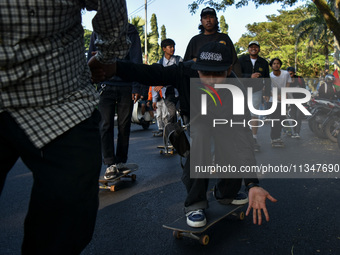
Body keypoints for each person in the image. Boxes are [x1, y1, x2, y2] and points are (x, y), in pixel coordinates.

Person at [91, 42, 277, 228]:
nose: (211, 80)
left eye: (217, 74)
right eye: (205, 73)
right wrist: (116, 67)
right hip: (198, 117)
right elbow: (152, 73)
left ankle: (226, 193)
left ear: (228, 70)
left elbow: (243, 137)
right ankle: (195, 203)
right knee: (202, 142)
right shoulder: (185, 70)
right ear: (196, 69)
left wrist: (252, 183)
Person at [0, 0, 130, 253]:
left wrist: (106, 57)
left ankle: (116, 162)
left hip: (59, 99)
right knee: (107, 127)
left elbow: (112, 9)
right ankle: (111, 160)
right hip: (80, 87)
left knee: (66, 224)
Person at [87, 24, 142, 180]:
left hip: (126, 85)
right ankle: (110, 163)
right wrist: (89, 83)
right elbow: (89, 58)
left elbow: (136, 57)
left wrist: (136, 86)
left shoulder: (130, 31)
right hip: (105, 84)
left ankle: (120, 161)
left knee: (125, 125)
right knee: (105, 124)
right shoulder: (97, 31)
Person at [183, 7, 242, 77]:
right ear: (201, 21)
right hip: (199, 82)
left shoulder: (224, 38)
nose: (208, 20)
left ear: (216, 20)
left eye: (211, 17)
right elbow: (186, 64)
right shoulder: (195, 40)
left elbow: (234, 62)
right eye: (205, 18)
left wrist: (237, 80)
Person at [239, 41, 271, 151]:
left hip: (256, 91)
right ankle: (243, 138)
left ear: (259, 49)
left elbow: (267, 78)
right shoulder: (241, 60)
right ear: (248, 49)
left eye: (256, 47)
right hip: (242, 90)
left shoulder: (263, 62)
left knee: (254, 114)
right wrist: (250, 76)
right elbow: (236, 75)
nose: (253, 49)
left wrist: (267, 93)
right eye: (251, 47)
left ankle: (254, 138)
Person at [269, 58, 292, 147]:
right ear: (271, 66)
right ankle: (274, 137)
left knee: (282, 118)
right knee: (275, 118)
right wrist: (276, 96)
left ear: (280, 65)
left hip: (283, 99)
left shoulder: (285, 74)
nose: (276, 65)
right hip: (273, 100)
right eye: (274, 63)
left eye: (278, 63)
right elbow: (267, 88)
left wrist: (284, 94)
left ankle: (278, 136)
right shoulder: (270, 75)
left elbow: (288, 84)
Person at [287, 67, 306, 139]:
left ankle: (297, 132)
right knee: (293, 116)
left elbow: (304, 89)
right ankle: (294, 132)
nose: (290, 75)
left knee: (298, 116)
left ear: (294, 73)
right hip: (292, 101)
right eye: (288, 74)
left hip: (300, 100)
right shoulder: (287, 81)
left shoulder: (299, 79)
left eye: (291, 74)